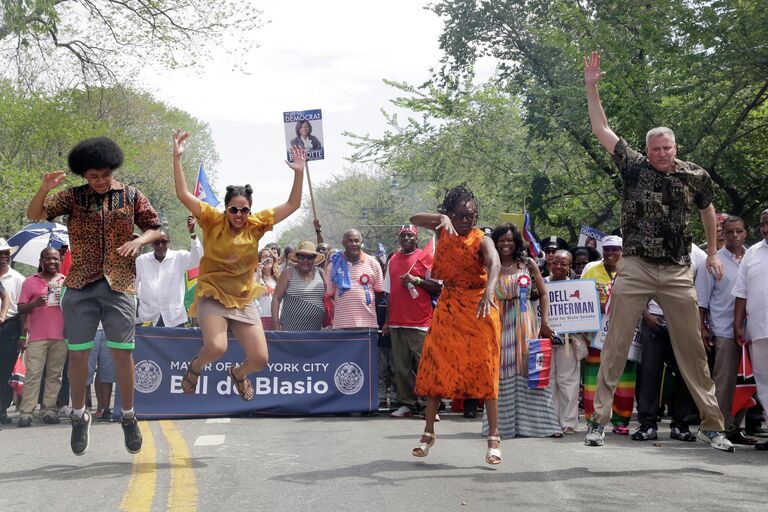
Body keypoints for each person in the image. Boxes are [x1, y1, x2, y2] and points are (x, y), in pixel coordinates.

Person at [583, 51, 732, 451]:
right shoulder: (633, 166)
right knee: (615, 342)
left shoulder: (694, 175)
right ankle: (598, 421)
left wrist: (714, 252)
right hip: (635, 266)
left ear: (675, 146)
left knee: (693, 348)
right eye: (656, 149)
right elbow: (601, 128)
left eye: (667, 148)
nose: (662, 154)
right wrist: (592, 86)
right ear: (647, 151)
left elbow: (708, 211)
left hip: (677, 270)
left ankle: (712, 424)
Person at [27, 136, 162, 455]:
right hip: (80, 285)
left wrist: (139, 242)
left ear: (112, 169)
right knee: (78, 354)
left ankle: (128, 416)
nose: (100, 181)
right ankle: (79, 415)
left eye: (104, 174)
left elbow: (155, 227)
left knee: (122, 354)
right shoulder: (72, 198)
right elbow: (35, 214)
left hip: (120, 284)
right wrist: (45, 188)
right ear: (84, 176)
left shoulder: (131, 195)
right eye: (93, 177)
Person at [172, 130, 305, 402]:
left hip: (243, 297)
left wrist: (299, 172)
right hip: (213, 292)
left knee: (260, 358)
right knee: (217, 347)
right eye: (234, 210)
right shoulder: (211, 220)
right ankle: (195, 367)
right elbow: (183, 193)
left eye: (244, 210)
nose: (239, 215)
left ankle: (239, 373)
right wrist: (177, 158)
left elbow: (293, 204)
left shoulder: (256, 225)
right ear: (226, 209)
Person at [409, 184, 503, 464]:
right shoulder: (443, 229)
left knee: (485, 369)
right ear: (450, 213)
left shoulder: (481, 238)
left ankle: (493, 438)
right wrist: (440, 220)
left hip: (479, 307)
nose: (465, 220)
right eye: (460, 215)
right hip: (449, 306)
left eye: (470, 216)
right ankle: (428, 433)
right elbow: (414, 218)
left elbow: (495, 262)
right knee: (437, 366)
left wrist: (490, 289)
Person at [482, 223, 560, 439]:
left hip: (525, 322)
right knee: (502, 370)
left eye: (510, 239)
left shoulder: (527, 264)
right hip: (498, 324)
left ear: (516, 242)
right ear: (495, 242)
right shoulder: (488, 265)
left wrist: (544, 322)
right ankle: (501, 427)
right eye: (501, 240)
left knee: (531, 371)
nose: (505, 243)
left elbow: (543, 294)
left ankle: (541, 425)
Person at [697, 215, 757, 445]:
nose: (734, 236)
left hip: (754, 330)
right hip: (724, 329)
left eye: (738, 231)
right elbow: (701, 299)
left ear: (745, 233)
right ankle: (714, 429)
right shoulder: (713, 261)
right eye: (729, 231)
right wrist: (701, 327)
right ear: (723, 232)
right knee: (723, 382)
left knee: (747, 382)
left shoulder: (753, 257)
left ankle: (733, 428)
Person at [581, 235, 637, 436]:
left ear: (623, 251)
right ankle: (593, 418)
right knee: (594, 376)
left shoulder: (633, 271)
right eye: (607, 249)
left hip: (626, 330)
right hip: (597, 333)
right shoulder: (591, 269)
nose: (611, 253)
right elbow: (582, 297)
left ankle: (621, 419)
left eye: (615, 249)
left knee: (624, 375)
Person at [383, 224, 441, 418]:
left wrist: (417, 281)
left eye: (410, 235)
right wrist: (387, 321)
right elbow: (389, 293)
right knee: (401, 368)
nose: (407, 239)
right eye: (403, 236)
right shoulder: (392, 260)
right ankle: (408, 403)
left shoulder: (426, 257)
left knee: (424, 365)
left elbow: (437, 287)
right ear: (399, 238)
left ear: (417, 238)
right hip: (398, 321)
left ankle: (428, 405)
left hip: (420, 321)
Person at [16, 247, 67, 427]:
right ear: (41, 261)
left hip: (60, 336)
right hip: (36, 336)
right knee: (33, 375)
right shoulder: (30, 282)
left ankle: (49, 410)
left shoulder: (66, 281)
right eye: (47, 258)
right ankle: (27, 412)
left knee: (55, 375)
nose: (52, 262)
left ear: (60, 261)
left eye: (55, 259)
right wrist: (35, 304)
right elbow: (20, 309)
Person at [733, 209, 768, 451]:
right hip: (758, 329)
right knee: (764, 382)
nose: (765, 228)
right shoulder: (752, 253)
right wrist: (738, 323)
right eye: (763, 224)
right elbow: (741, 292)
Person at [547, 250, 588, 434]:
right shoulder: (542, 284)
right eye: (555, 262)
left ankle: (569, 422)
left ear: (569, 266)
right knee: (549, 381)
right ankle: (551, 422)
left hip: (568, 341)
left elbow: (585, 314)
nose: (558, 267)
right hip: (546, 341)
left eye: (563, 264)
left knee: (568, 381)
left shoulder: (578, 287)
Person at [136, 218, 202, 327]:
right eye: (157, 242)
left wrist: (193, 233)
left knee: (173, 344)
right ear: (151, 244)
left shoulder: (179, 257)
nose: (161, 245)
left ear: (169, 243)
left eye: (164, 242)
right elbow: (136, 286)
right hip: (148, 317)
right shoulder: (141, 260)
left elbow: (198, 259)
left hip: (174, 318)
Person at [326, 230, 384, 330]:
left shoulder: (373, 263)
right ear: (343, 243)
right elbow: (330, 295)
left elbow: (379, 294)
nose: (354, 244)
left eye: (357, 241)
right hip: (341, 326)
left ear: (361, 242)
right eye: (350, 241)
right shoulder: (333, 265)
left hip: (367, 325)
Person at [271, 241, 326, 331]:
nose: (305, 260)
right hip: (291, 332)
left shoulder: (320, 272)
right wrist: (276, 325)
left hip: (316, 332)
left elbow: (328, 297)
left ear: (314, 259)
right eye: (302, 256)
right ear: (297, 258)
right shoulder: (288, 273)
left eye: (309, 257)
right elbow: (276, 299)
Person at [0, 238, 23, 426]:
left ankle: (2, 409)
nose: (3, 257)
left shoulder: (18, 279)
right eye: (0, 254)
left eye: (6, 254)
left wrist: (23, 335)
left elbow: (22, 309)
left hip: (9, 327)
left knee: (5, 370)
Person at [254, 248, 281, 319]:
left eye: (270, 257)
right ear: (259, 260)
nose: (268, 259)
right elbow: (256, 296)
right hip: (263, 318)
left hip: (278, 317)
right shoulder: (256, 277)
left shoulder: (278, 278)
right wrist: (258, 275)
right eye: (264, 257)